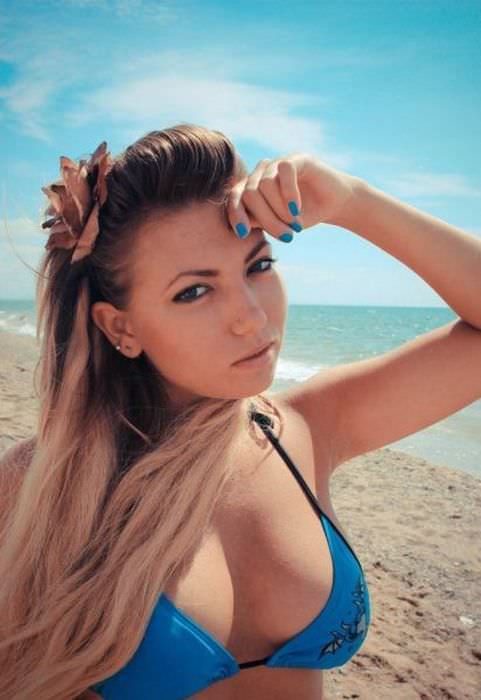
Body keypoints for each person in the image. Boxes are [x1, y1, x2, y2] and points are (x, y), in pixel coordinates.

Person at [1, 123, 480, 700]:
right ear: (120, 327)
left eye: (258, 266)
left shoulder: (308, 426)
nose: (252, 317)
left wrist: (353, 201)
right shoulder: (40, 485)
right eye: (194, 292)